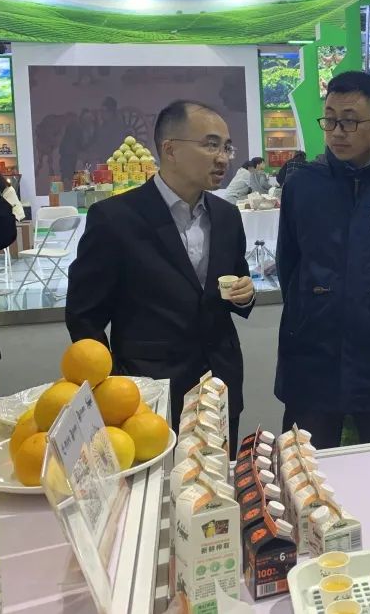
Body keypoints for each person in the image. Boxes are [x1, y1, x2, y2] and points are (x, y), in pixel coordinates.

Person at [66, 100, 257, 442]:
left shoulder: (227, 216)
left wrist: (245, 294)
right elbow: (84, 316)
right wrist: (112, 384)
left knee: (219, 474)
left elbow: (235, 283)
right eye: (211, 145)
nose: (223, 158)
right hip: (148, 390)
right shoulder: (115, 219)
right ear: (170, 149)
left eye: (227, 147)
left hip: (221, 383)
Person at [275, 71, 370, 453]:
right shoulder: (301, 186)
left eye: (350, 121)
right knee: (306, 468)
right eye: (330, 119)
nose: (337, 132)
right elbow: (288, 264)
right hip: (313, 348)